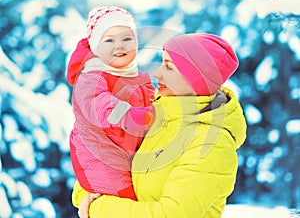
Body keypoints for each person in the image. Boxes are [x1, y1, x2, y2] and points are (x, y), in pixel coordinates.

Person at [72, 32, 247, 218]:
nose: (157, 73)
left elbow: (170, 214)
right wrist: (87, 198)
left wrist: (97, 208)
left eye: (169, 67)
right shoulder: (152, 117)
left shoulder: (211, 144)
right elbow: (94, 172)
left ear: (196, 79)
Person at [66, 6, 155, 201]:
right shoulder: (91, 75)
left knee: (146, 195)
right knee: (125, 202)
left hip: (129, 155)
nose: (120, 46)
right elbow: (97, 104)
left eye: (126, 39)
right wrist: (128, 115)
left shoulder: (139, 78)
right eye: (109, 40)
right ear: (97, 46)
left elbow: (153, 107)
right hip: (100, 156)